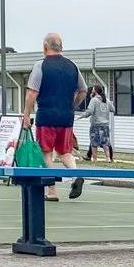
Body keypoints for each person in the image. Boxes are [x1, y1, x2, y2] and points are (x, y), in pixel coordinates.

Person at [22, 33, 86, 199]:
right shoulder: (73, 66)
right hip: (66, 117)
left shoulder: (40, 65)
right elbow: (83, 90)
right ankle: (75, 175)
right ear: (61, 47)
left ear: (45, 47)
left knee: (46, 153)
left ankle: (51, 191)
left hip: (46, 115)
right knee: (65, 151)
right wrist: (72, 106)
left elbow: (32, 92)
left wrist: (26, 114)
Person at [84, 85, 115, 163]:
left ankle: (94, 159)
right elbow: (113, 109)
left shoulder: (94, 100)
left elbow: (90, 111)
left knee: (94, 142)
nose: (92, 91)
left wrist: (84, 115)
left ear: (96, 91)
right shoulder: (106, 100)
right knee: (105, 143)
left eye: (93, 89)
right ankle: (108, 158)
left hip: (96, 124)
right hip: (105, 125)